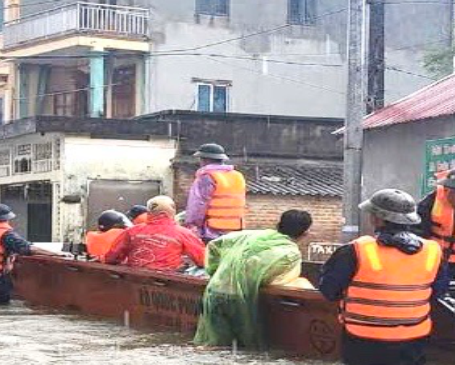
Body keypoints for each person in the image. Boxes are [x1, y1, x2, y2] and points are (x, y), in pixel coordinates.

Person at [316, 189, 442, 365]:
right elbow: (439, 291)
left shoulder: (355, 250)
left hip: (363, 340)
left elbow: (329, 290)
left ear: (377, 219)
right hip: (413, 341)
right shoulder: (433, 251)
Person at [193, 208, 313, 349]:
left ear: (277, 224)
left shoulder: (248, 235)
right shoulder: (290, 253)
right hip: (241, 299)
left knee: (213, 344)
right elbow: (276, 281)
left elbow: (214, 245)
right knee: (242, 349)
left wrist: (216, 271)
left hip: (215, 291)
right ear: (305, 234)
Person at [102, 195, 207, 272]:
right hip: (169, 282)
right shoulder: (184, 233)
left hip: (134, 279)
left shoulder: (131, 231)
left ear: (149, 212)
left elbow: (111, 258)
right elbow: (203, 260)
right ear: (172, 212)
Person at [182, 142, 247, 241]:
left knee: (210, 256)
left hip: (212, 230)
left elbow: (198, 204)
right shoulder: (237, 176)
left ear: (205, 159)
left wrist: (191, 224)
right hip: (235, 229)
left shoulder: (207, 177)